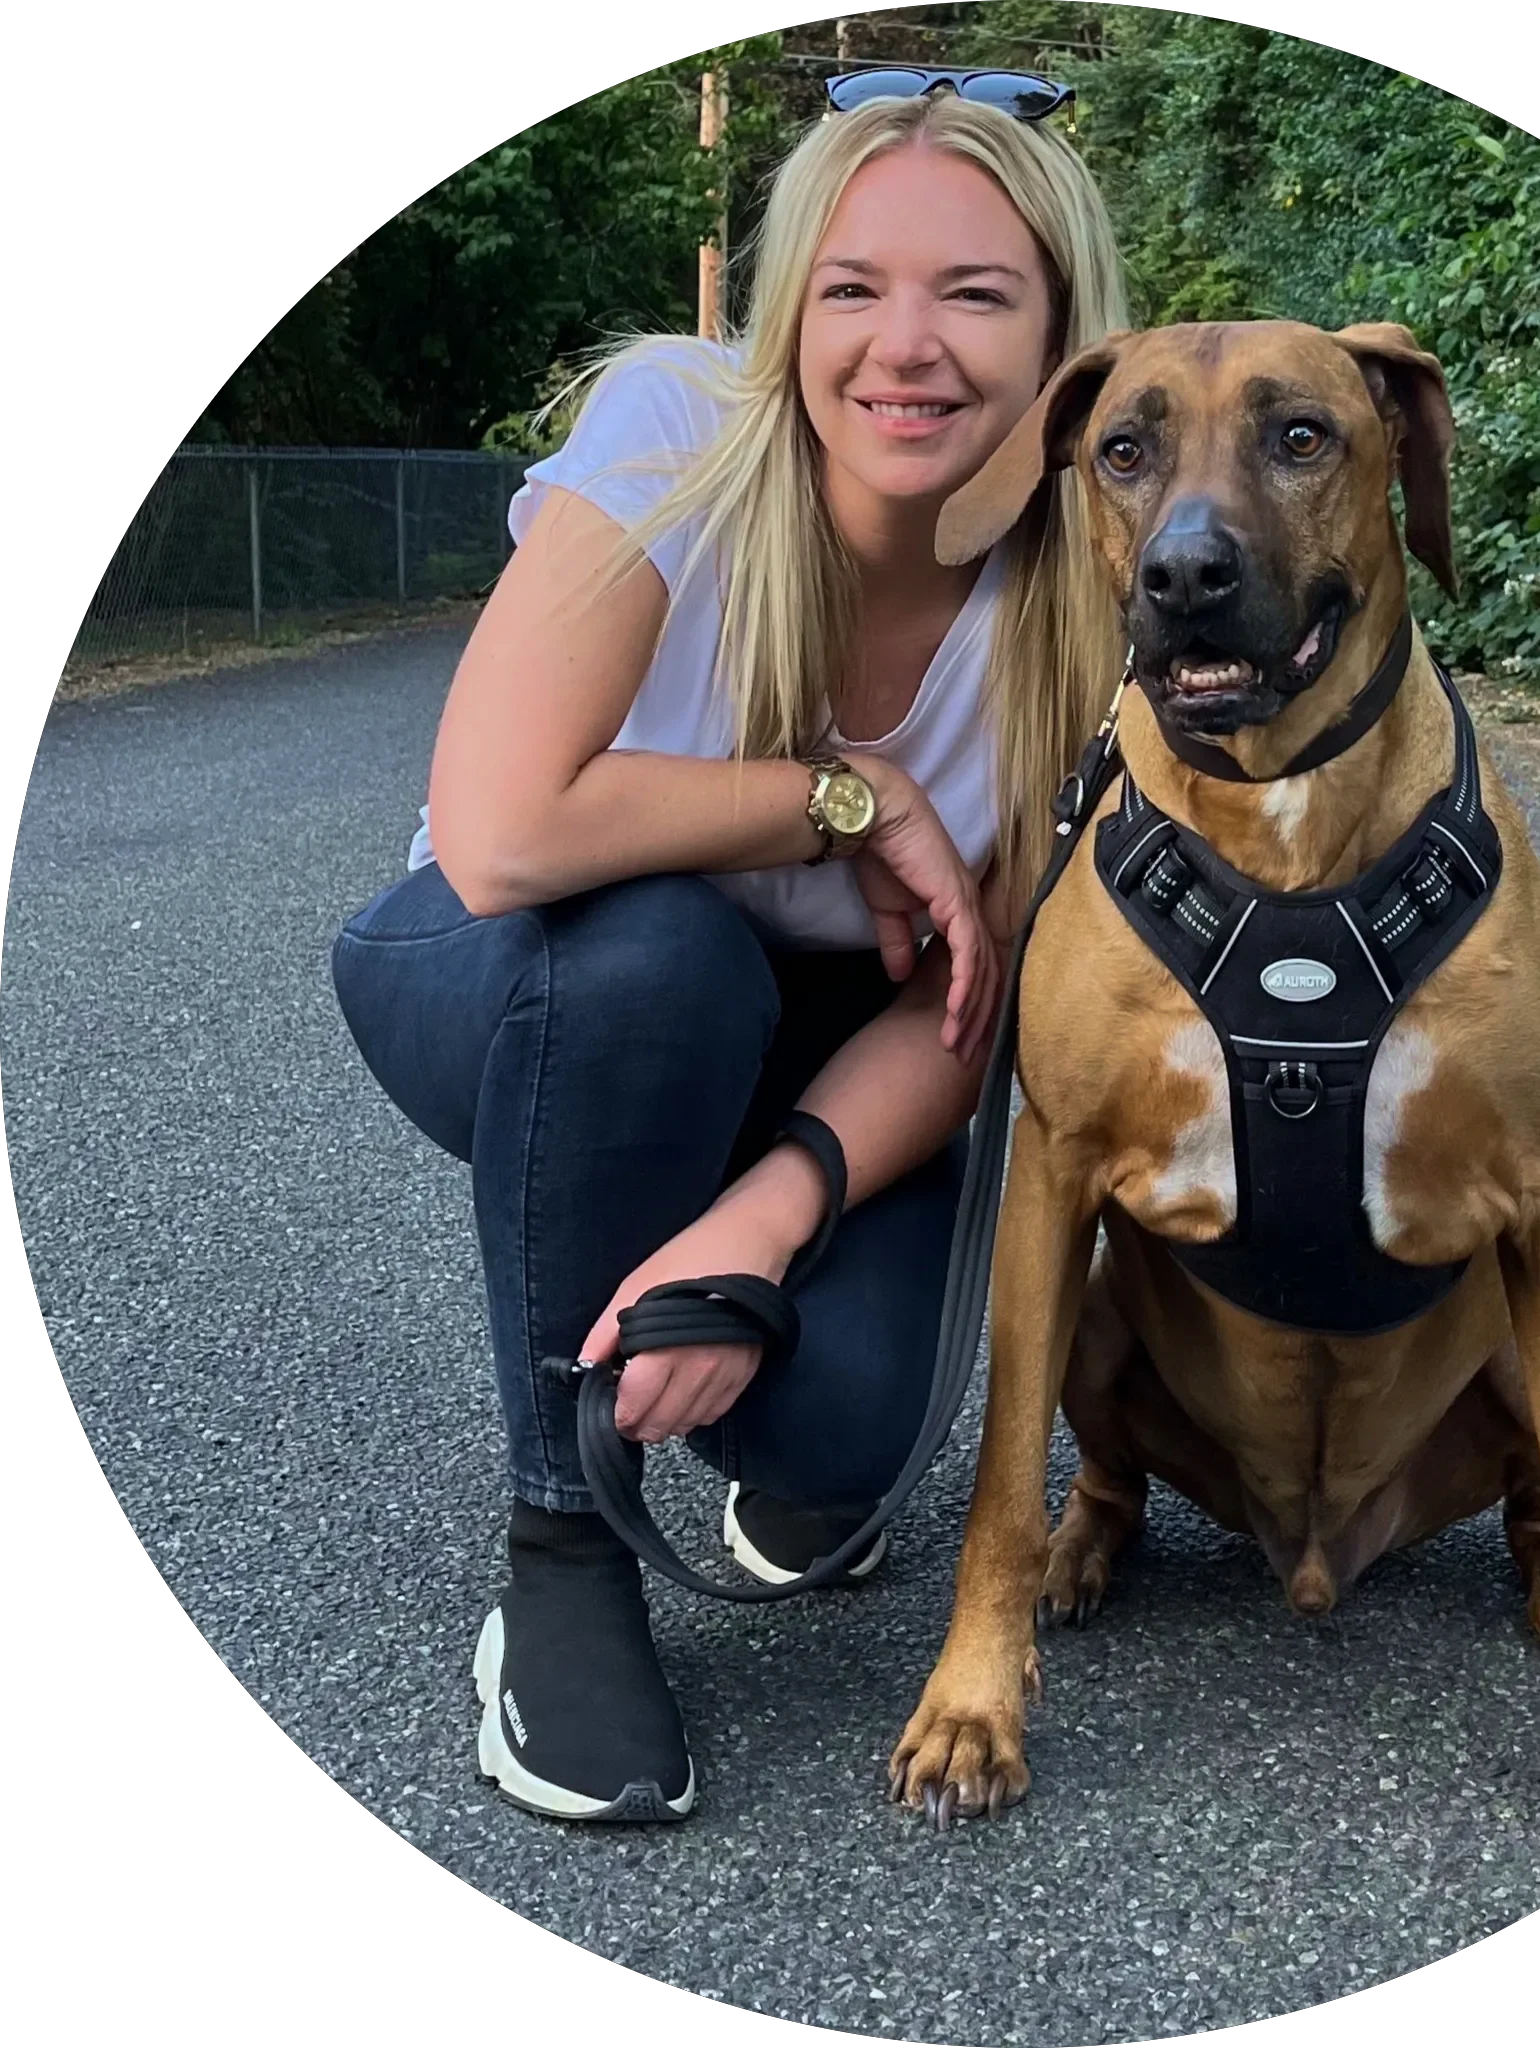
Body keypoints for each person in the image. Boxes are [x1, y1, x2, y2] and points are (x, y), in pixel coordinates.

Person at [328, 73, 1130, 1825]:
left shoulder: (1088, 582)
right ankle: (563, 1551)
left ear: (1063, 337)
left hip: (830, 1032)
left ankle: (727, 1360)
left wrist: (758, 1225)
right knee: (659, 963)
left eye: (976, 294)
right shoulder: (677, 429)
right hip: (515, 964)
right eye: (852, 287)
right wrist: (844, 801)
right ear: (789, 315)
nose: (905, 346)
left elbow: (969, 999)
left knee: (845, 1446)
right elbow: (503, 832)